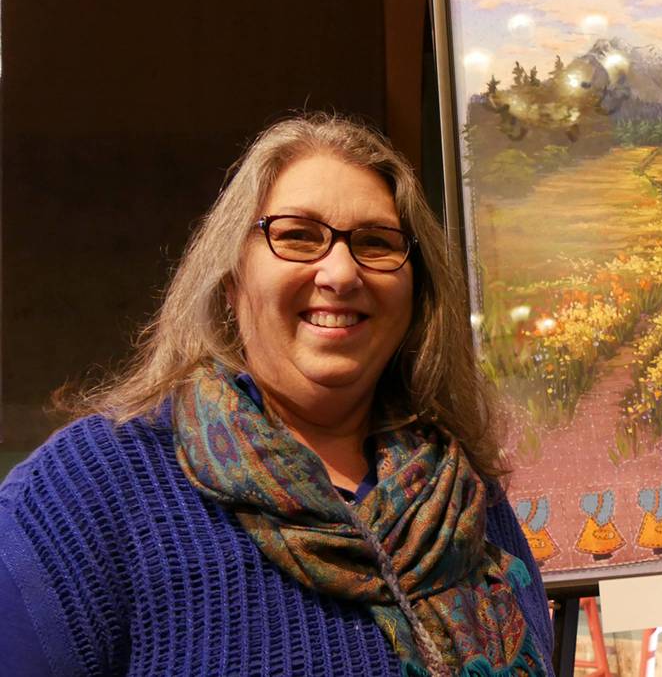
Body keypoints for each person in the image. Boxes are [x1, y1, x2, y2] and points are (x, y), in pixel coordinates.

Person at [0, 114, 554, 676]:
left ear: (417, 291)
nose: (340, 272)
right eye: (296, 235)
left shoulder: (463, 496)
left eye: (376, 243)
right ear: (231, 275)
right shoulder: (90, 493)